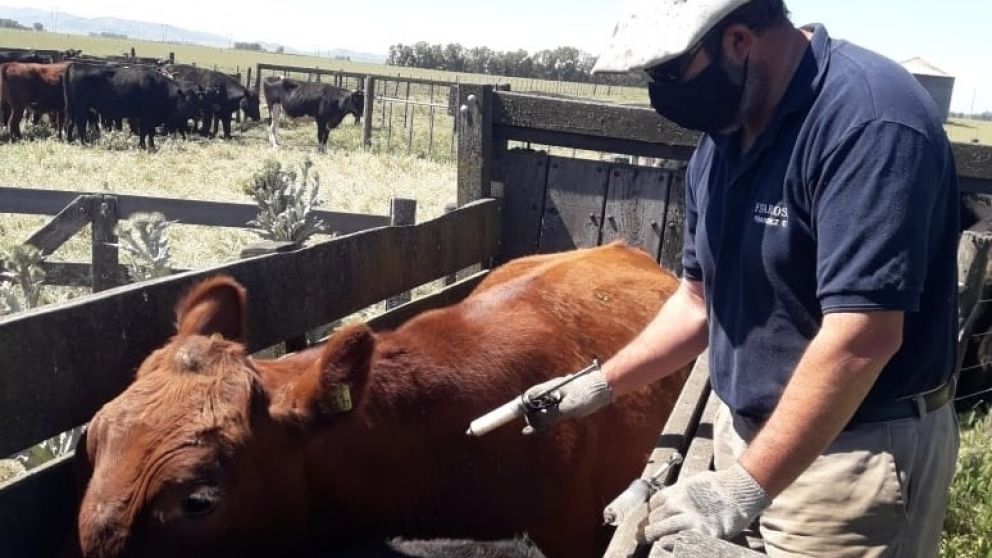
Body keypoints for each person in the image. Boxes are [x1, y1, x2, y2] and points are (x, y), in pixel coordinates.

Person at [520, 0, 961, 556]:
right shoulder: (723, 142)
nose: (661, 92)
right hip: (743, 437)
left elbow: (863, 336)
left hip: (848, 458)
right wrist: (597, 386)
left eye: (670, 72)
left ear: (736, 41)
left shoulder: (868, 121)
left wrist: (741, 488)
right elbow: (697, 302)